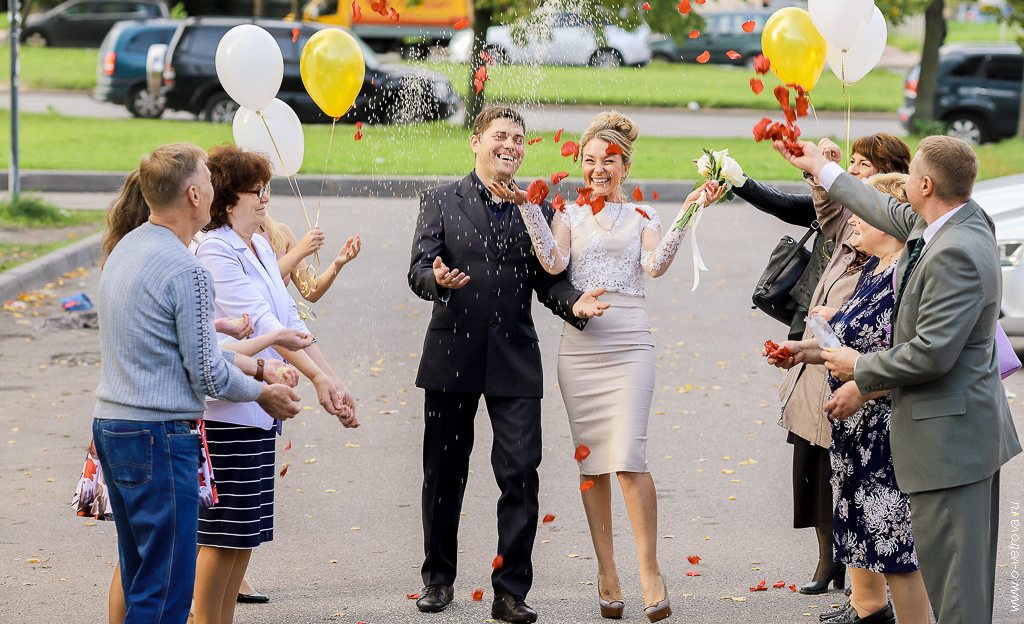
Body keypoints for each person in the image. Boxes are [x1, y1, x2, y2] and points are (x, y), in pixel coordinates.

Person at [775, 134, 1022, 624]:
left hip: (951, 444)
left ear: (925, 185)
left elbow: (932, 353)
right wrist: (820, 168)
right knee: (953, 582)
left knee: (957, 594)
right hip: (952, 436)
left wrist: (859, 367)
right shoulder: (954, 220)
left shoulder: (955, 250)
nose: (902, 185)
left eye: (910, 177)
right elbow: (878, 206)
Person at [492, 111, 722, 622]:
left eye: (609, 161)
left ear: (625, 165)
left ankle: (650, 571)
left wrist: (688, 211)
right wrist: (529, 207)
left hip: (630, 344)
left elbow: (655, 265)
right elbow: (553, 263)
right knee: (593, 465)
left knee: (630, 459)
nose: (598, 169)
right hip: (581, 349)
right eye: (590, 160)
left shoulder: (643, 216)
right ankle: (606, 570)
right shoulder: (567, 214)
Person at [407, 105, 608, 624]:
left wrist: (576, 303)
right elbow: (418, 270)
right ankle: (437, 579)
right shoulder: (440, 200)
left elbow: (549, 280)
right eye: (500, 135)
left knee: (520, 473)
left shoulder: (534, 206)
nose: (510, 146)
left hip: (514, 360)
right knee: (444, 474)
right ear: (476, 141)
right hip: (451, 356)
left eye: (518, 139)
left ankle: (510, 592)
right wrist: (436, 281)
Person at [92, 142, 302, 623]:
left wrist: (254, 364)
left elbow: (167, 343)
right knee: (164, 588)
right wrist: (264, 392)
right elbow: (206, 372)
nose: (213, 187)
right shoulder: (188, 269)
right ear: (193, 194)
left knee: (140, 571)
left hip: (113, 428)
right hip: (159, 437)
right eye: (208, 179)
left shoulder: (126, 248)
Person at [733, 134, 911, 595]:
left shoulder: (895, 261)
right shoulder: (862, 235)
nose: (852, 174)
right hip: (830, 370)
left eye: (862, 166)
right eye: (849, 165)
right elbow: (827, 211)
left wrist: (822, 170)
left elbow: (896, 346)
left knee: (871, 504)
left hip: (866, 394)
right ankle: (843, 575)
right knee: (825, 476)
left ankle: (863, 590)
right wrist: (803, 348)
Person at [193, 145, 360, 624]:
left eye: (267, 188)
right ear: (228, 200)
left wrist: (332, 380)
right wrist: (316, 377)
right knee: (222, 537)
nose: (266, 198)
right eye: (256, 191)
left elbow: (291, 319)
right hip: (226, 411)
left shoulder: (260, 246)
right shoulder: (215, 250)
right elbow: (266, 325)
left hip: (260, 410)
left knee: (244, 537)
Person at [767, 174, 930, 624]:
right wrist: (802, 351)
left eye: (862, 212)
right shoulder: (872, 267)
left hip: (886, 428)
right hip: (852, 426)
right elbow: (846, 340)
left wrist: (863, 386)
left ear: (890, 221)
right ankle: (867, 609)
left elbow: (910, 357)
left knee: (893, 542)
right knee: (857, 525)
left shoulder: (904, 277)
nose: (852, 220)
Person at [260, 214, 361, 303]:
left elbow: (310, 291)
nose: (265, 199)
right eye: (256, 196)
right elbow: (258, 282)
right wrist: (300, 250)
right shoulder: (249, 238)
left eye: (266, 193)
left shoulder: (281, 232)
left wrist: (337, 264)